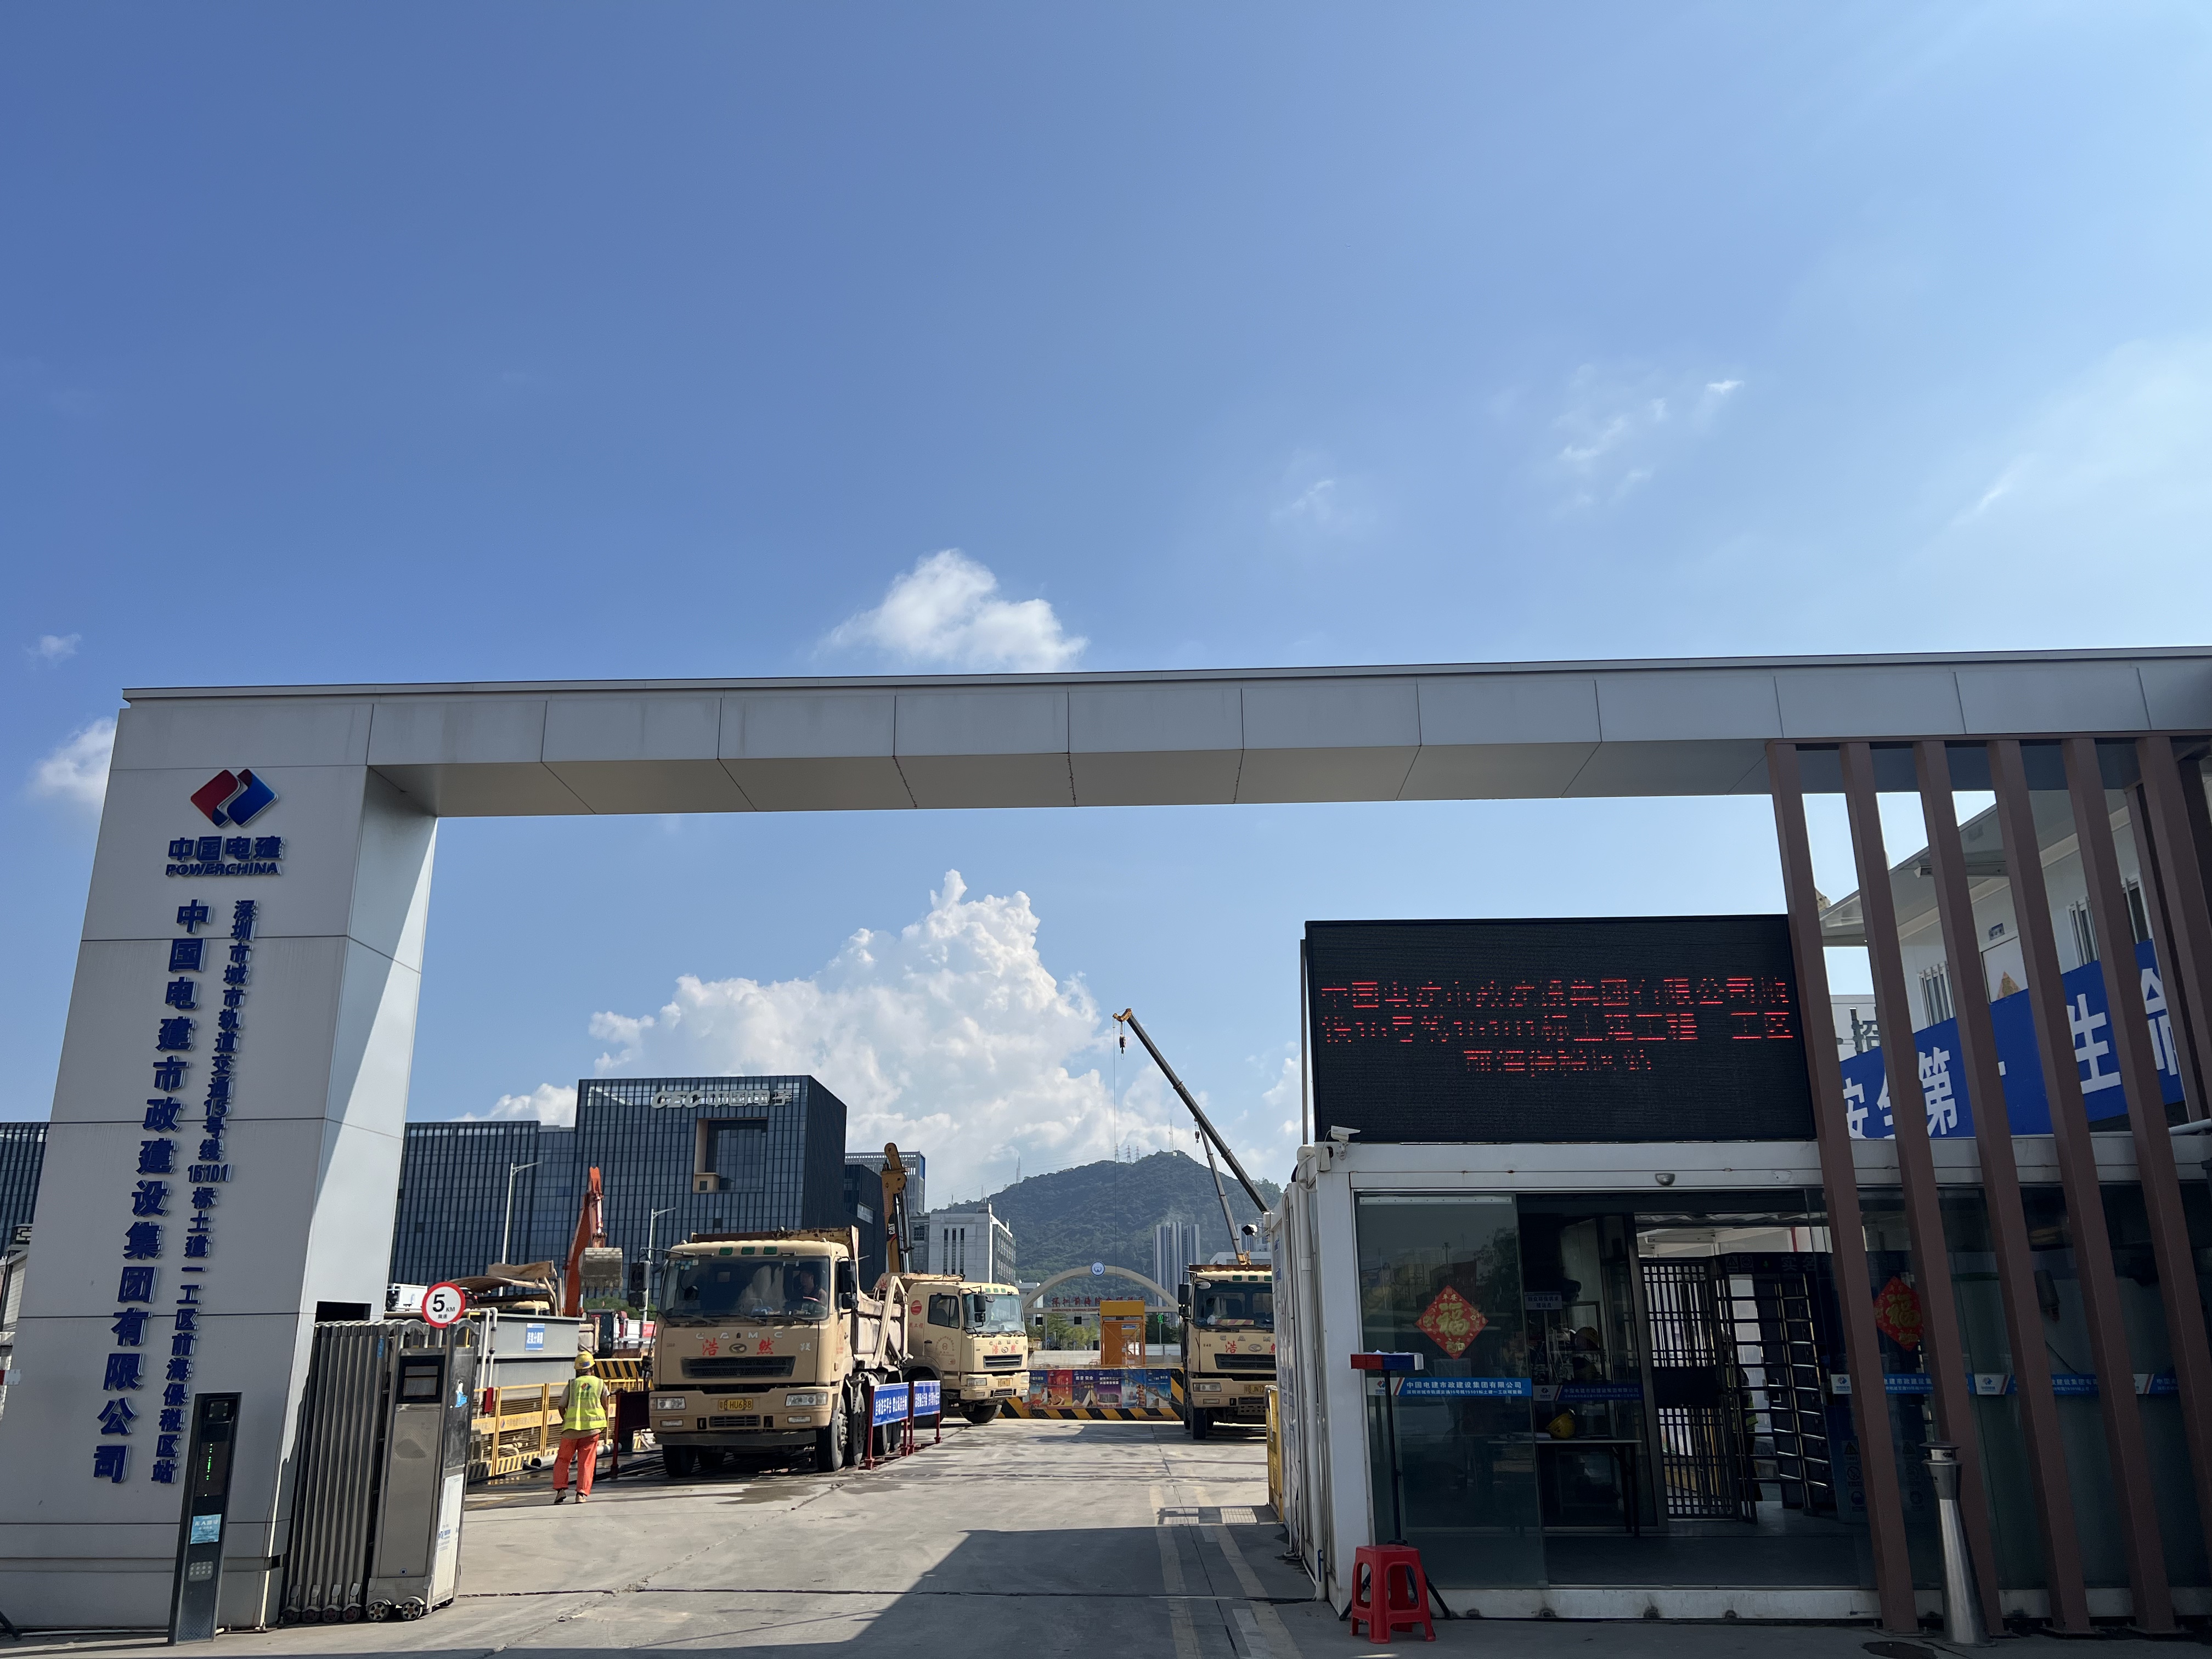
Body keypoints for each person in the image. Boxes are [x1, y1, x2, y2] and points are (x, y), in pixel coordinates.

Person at [551, 1351, 608, 1504]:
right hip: (592, 1430)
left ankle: (560, 1491)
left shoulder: (572, 1385)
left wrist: (566, 1420)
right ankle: (581, 1495)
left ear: (577, 1370)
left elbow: (561, 1406)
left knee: (563, 1460)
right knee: (586, 1462)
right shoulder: (600, 1384)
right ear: (592, 1368)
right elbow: (605, 1404)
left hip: (570, 1431)